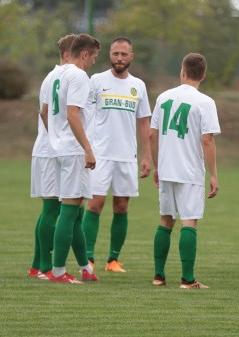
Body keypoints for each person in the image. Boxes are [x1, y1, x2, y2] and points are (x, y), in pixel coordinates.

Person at [150, 53, 220, 289]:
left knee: (165, 220)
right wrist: (213, 174)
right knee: (189, 222)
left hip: (167, 167)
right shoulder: (205, 102)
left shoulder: (163, 97)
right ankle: (188, 280)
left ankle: (158, 276)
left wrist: (157, 165)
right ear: (203, 75)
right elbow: (207, 140)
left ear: (182, 71)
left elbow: (152, 134)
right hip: (189, 170)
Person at [82, 37, 152, 273]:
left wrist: (147, 156)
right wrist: (87, 148)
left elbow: (144, 122)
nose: (119, 58)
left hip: (126, 156)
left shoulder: (138, 86)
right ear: (109, 55)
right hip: (100, 154)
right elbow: (85, 114)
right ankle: (88, 258)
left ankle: (113, 260)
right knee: (94, 204)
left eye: (124, 54)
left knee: (121, 205)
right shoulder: (96, 81)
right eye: (115, 54)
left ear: (131, 57)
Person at [40, 33, 101, 284]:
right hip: (73, 150)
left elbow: (44, 112)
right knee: (69, 210)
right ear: (84, 54)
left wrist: (55, 137)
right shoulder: (78, 76)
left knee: (74, 213)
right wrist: (86, 147)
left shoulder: (54, 75)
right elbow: (72, 115)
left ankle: (85, 267)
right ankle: (57, 271)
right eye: (94, 57)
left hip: (56, 149)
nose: (94, 62)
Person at [28, 34, 77, 280]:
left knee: (50, 209)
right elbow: (45, 112)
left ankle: (37, 264)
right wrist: (57, 139)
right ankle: (47, 267)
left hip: (48, 148)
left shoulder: (52, 76)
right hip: (51, 150)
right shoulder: (58, 77)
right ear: (68, 55)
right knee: (51, 209)